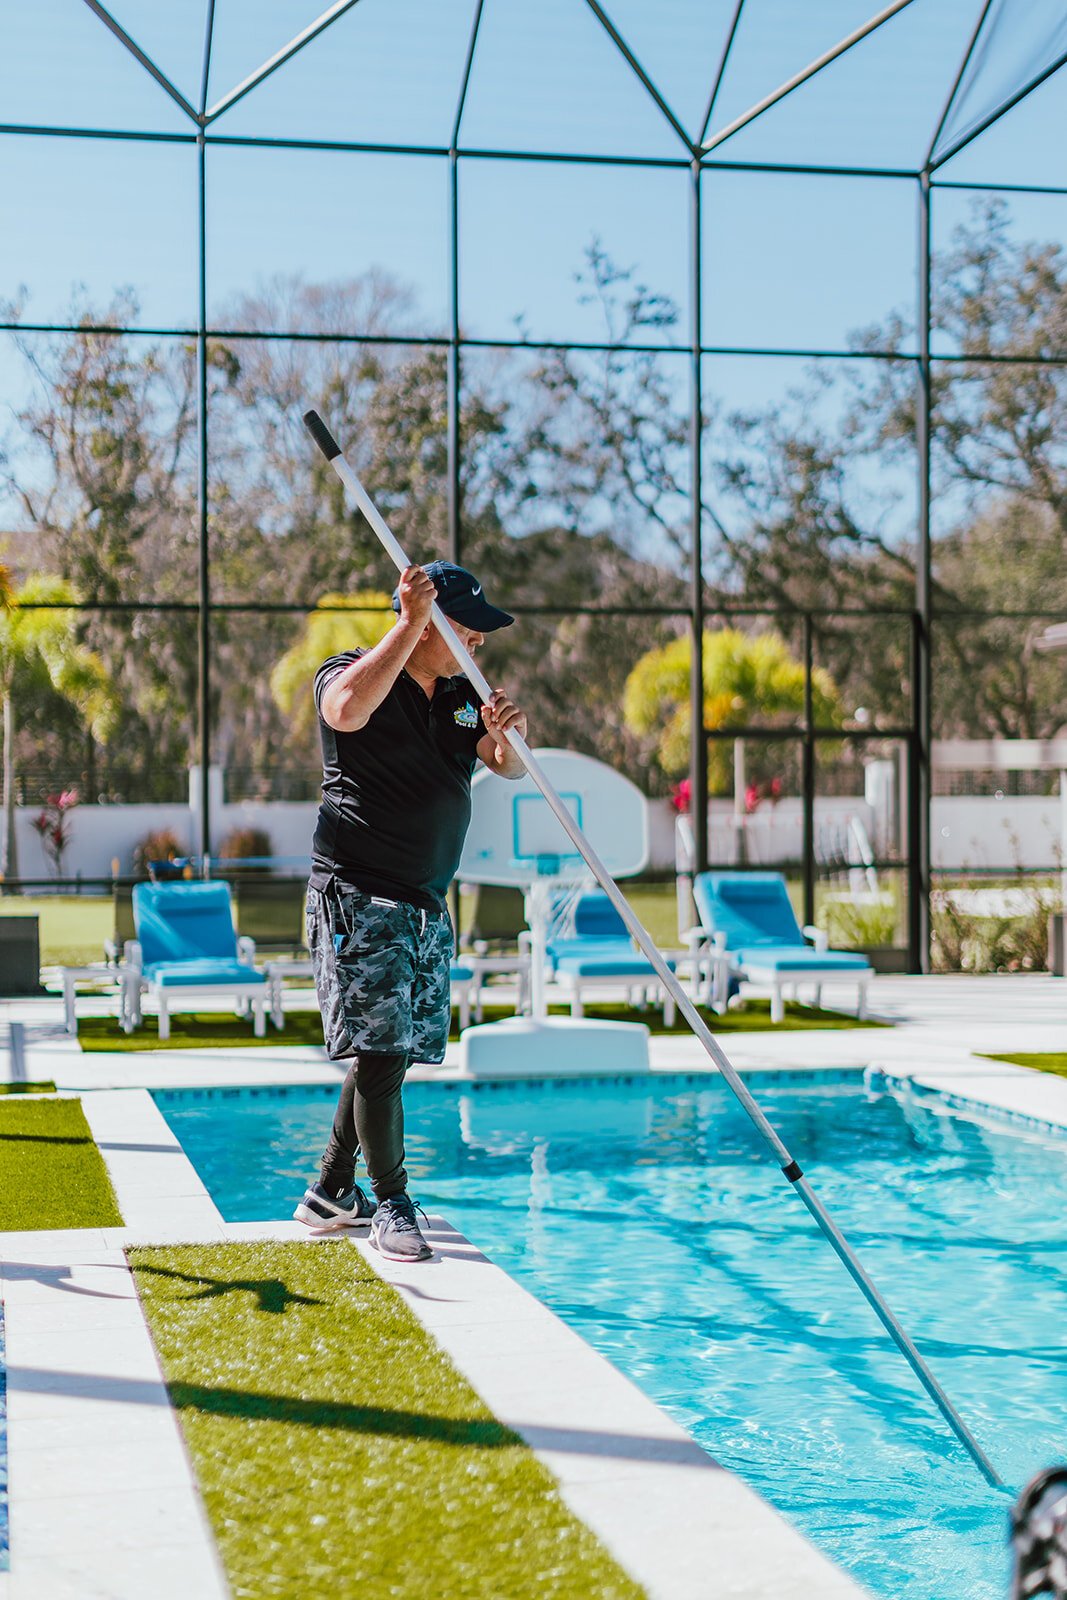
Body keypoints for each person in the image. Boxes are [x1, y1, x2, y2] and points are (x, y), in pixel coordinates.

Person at [294, 560, 527, 1261]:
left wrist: (507, 735)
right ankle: (391, 1200)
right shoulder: (351, 671)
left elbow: (505, 764)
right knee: (381, 1047)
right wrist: (405, 625)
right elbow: (345, 712)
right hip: (358, 891)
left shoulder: (461, 696)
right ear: (427, 621)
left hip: (425, 903)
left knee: (382, 1054)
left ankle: (331, 1189)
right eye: (467, 628)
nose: (479, 643)